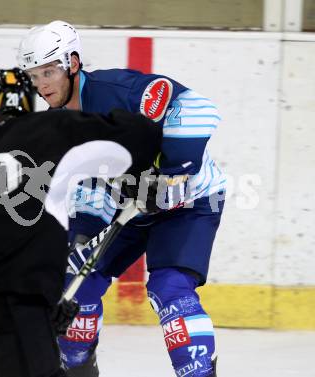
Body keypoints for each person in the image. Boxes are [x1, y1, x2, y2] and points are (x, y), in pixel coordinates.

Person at [0, 67, 162, 377]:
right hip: (4, 292)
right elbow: (139, 136)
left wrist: (43, 306)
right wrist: (143, 174)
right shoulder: (53, 126)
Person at [17, 21, 226, 377]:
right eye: (34, 76)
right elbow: (87, 187)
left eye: (49, 71)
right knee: (73, 282)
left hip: (190, 202)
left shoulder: (118, 91)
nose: (42, 84)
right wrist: (79, 239)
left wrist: (174, 172)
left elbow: (199, 109)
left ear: (74, 62)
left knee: (170, 288)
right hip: (130, 207)